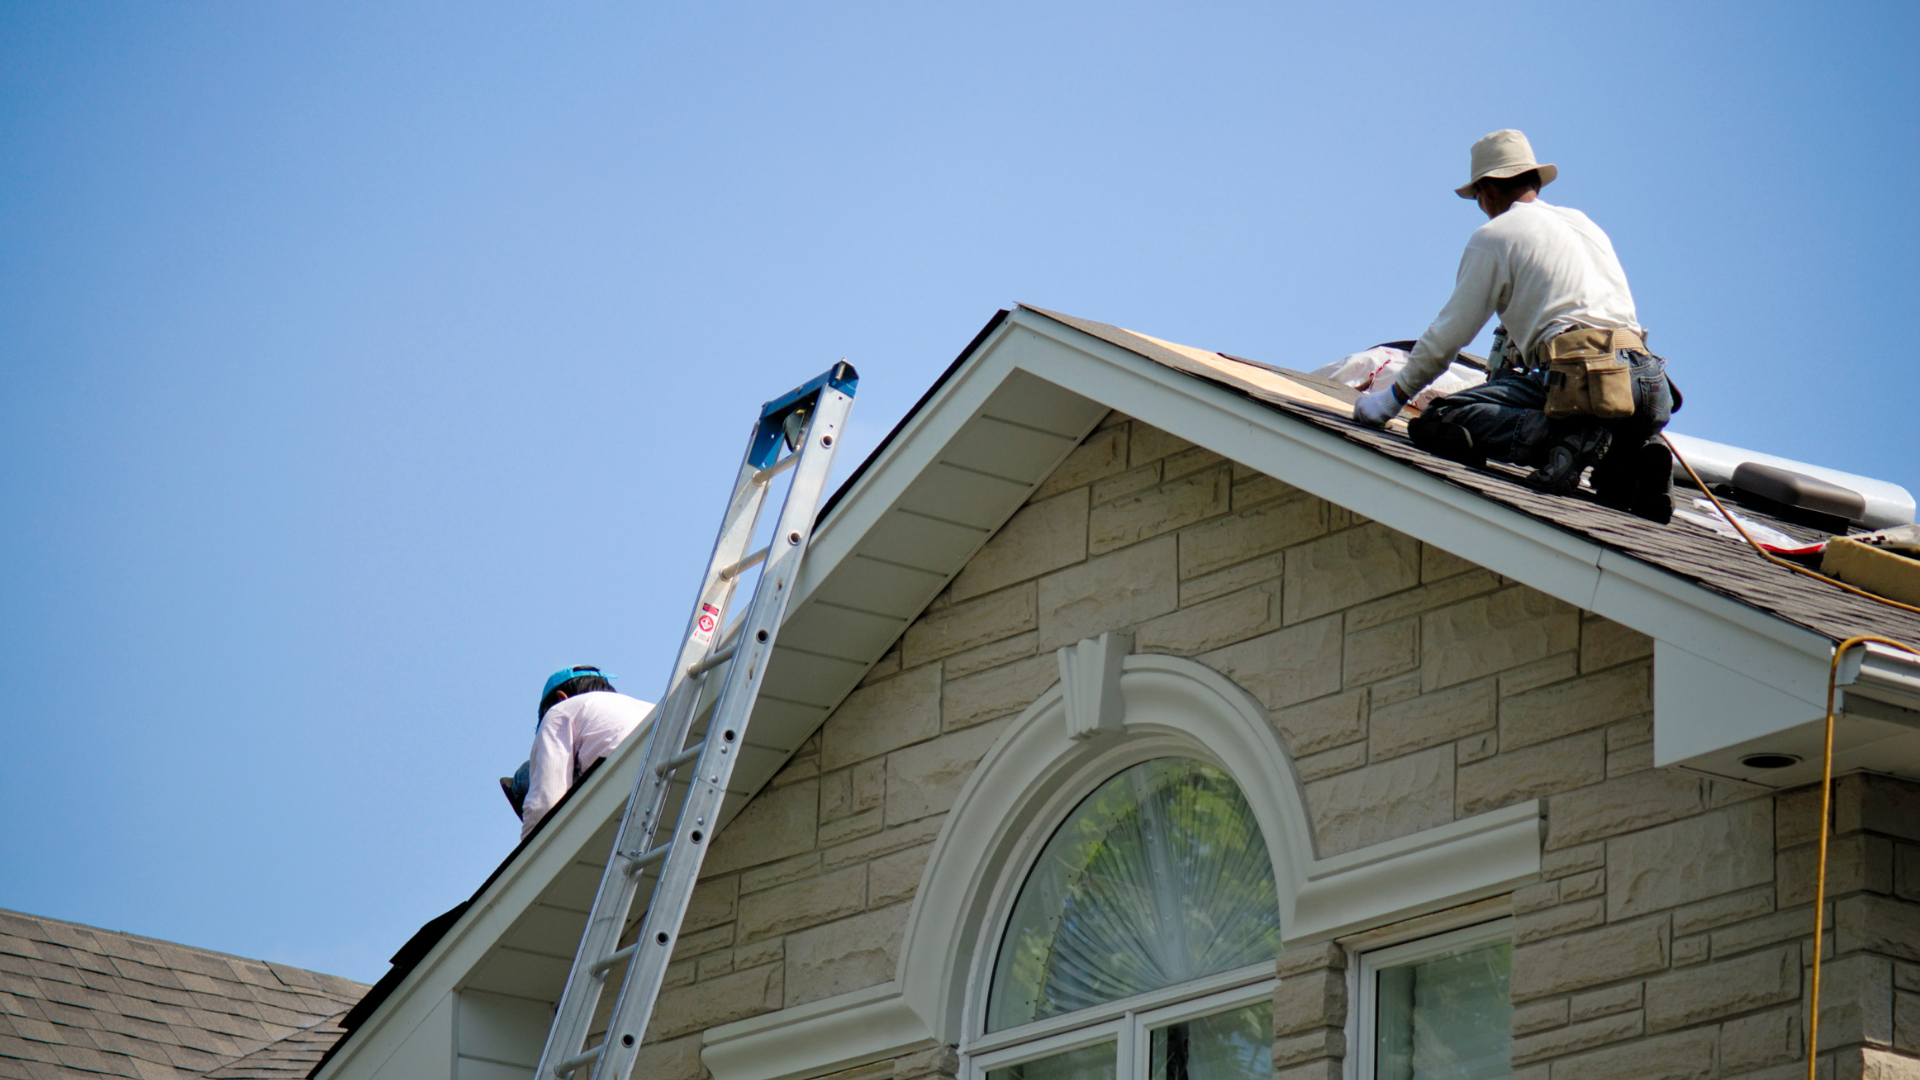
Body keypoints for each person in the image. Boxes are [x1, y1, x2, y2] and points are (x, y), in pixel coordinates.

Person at [1352, 129, 1675, 523]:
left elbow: (1447, 338)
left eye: (1477, 198)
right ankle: (1629, 457)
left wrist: (1389, 400)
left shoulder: (1496, 236)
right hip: (1647, 383)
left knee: (1444, 418)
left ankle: (1564, 441)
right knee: (1611, 486)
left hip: (1581, 380)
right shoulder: (1582, 223)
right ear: (1533, 180)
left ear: (1487, 190)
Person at [514, 665, 653, 840]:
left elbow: (545, 803)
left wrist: (530, 855)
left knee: (523, 777)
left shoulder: (560, 710)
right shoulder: (642, 705)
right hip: (667, 773)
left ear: (560, 698)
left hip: (624, 783)